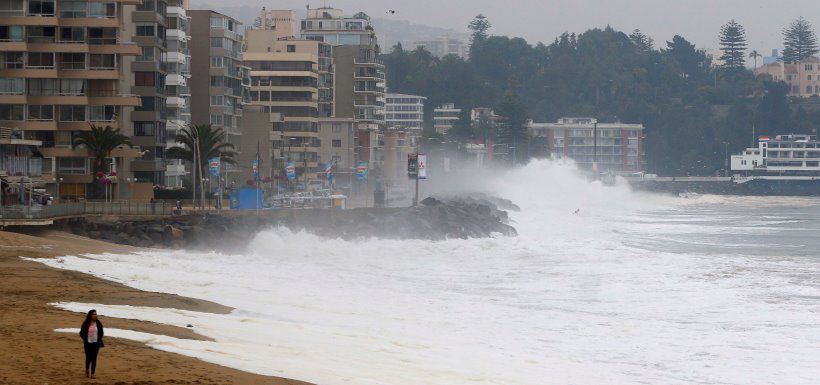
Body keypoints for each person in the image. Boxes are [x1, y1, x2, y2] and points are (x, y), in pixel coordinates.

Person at [79, 309, 104, 379]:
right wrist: (85, 339)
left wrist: (99, 340)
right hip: (88, 343)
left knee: (94, 358)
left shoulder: (98, 323)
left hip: (96, 343)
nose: (95, 315)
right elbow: (81, 333)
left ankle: (92, 373)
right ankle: (87, 369)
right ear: (90, 315)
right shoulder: (86, 323)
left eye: (95, 314)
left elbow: (101, 332)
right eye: (93, 314)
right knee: (88, 358)